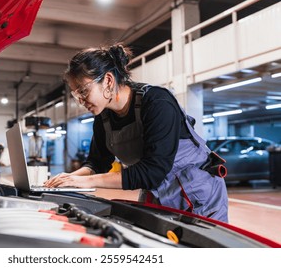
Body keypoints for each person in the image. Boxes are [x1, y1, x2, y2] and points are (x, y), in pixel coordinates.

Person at [44, 43, 229, 222]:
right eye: (76, 95)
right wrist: (69, 178)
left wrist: (86, 182)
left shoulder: (157, 102)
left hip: (198, 196)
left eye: (83, 91)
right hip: (158, 192)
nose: (81, 101)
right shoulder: (104, 116)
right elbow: (97, 162)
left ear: (108, 80)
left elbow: (153, 171)